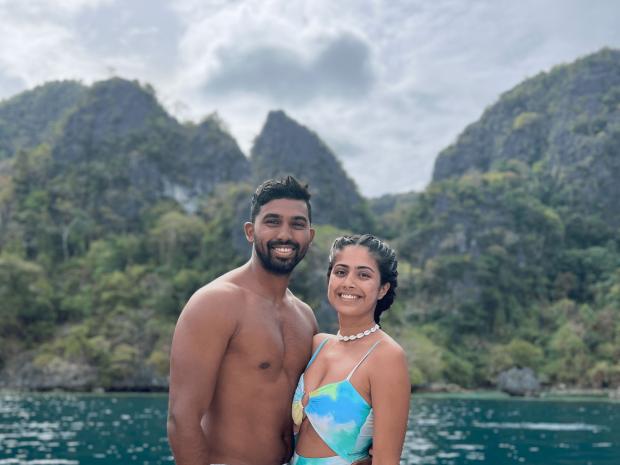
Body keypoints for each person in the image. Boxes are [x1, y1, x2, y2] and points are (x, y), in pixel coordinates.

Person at [167, 176, 318, 465]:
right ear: (250, 231)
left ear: (309, 236)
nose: (285, 234)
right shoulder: (215, 303)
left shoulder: (305, 316)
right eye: (272, 222)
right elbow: (181, 420)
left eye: (297, 224)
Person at [291, 234, 410, 465]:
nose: (348, 282)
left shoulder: (386, 357)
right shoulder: (317, 344)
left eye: (363, 275)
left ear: (382, 289)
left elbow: (386, 460)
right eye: (340, 272)